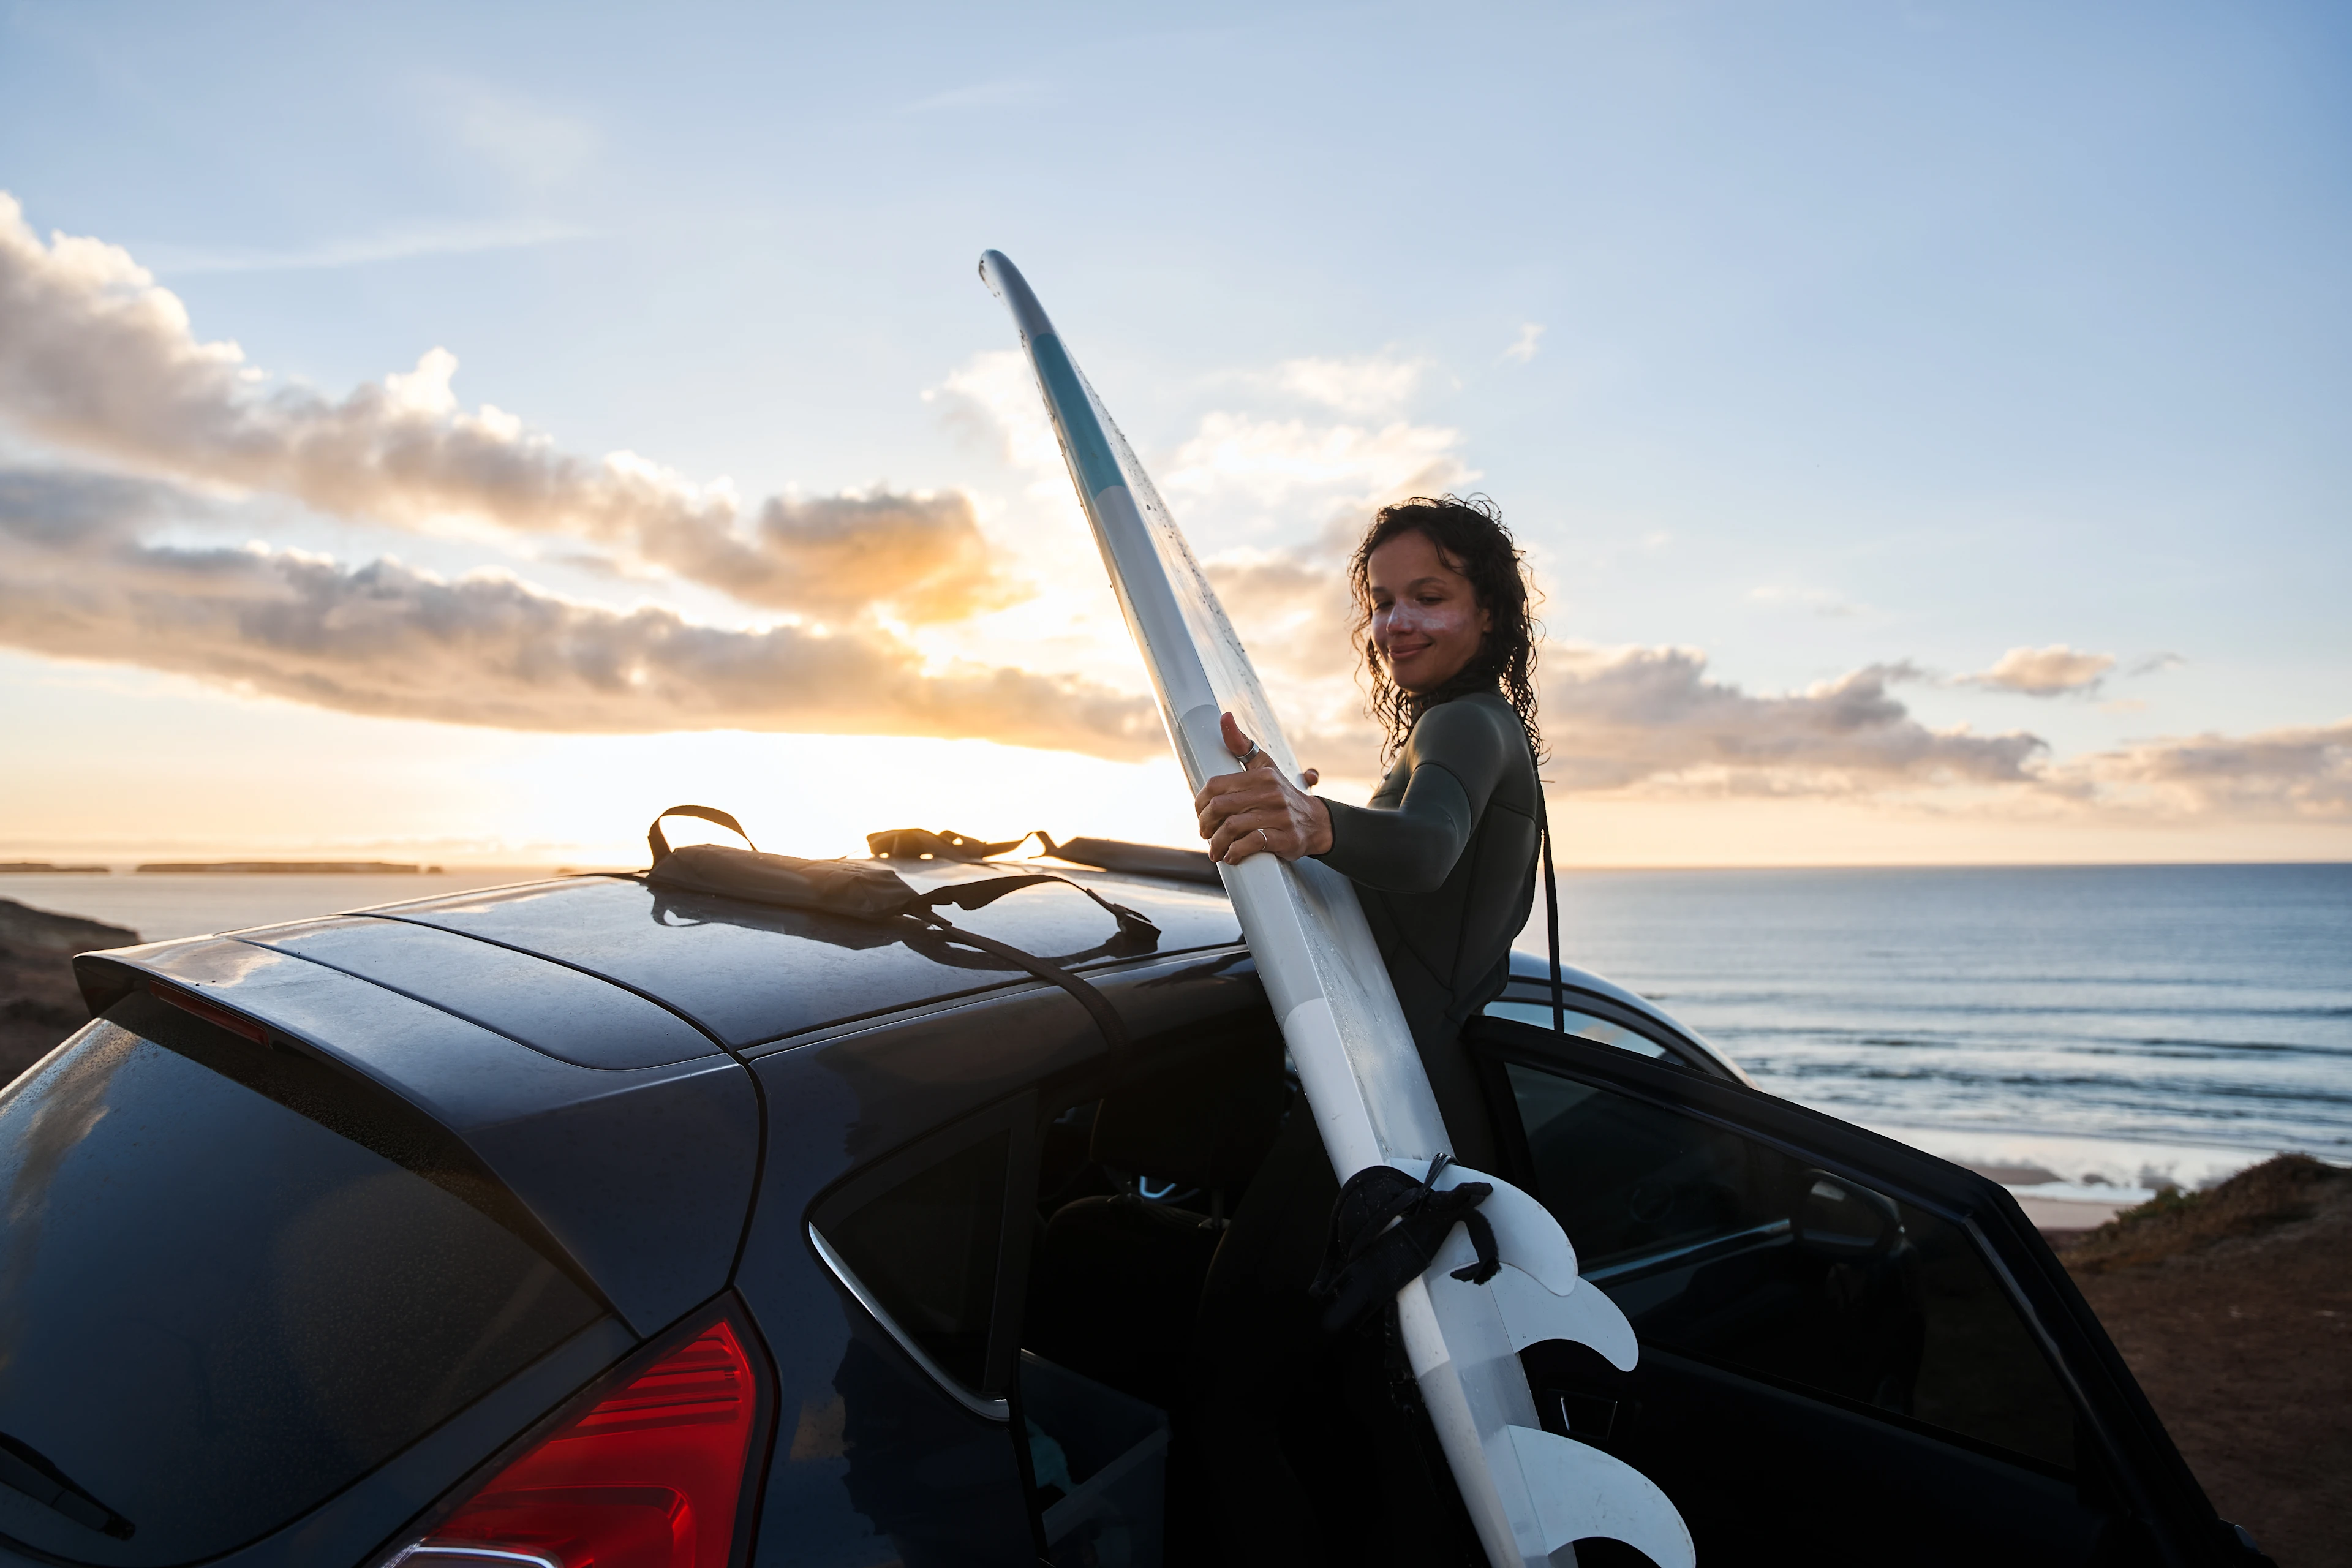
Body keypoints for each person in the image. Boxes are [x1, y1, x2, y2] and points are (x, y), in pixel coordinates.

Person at [1184, 494, 1545, 1564]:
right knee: (1355, 1396)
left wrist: (1316, 822)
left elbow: (1427, 849)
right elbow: (1397, 901)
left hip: (1372, 1104)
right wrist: (1297, 823)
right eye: (1384, 602)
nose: (1398, 622)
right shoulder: (1478, 729)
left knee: (1227, 1387)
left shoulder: (1467, 722)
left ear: (1490, 613)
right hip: (1415, 1098)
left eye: (1430, 597)